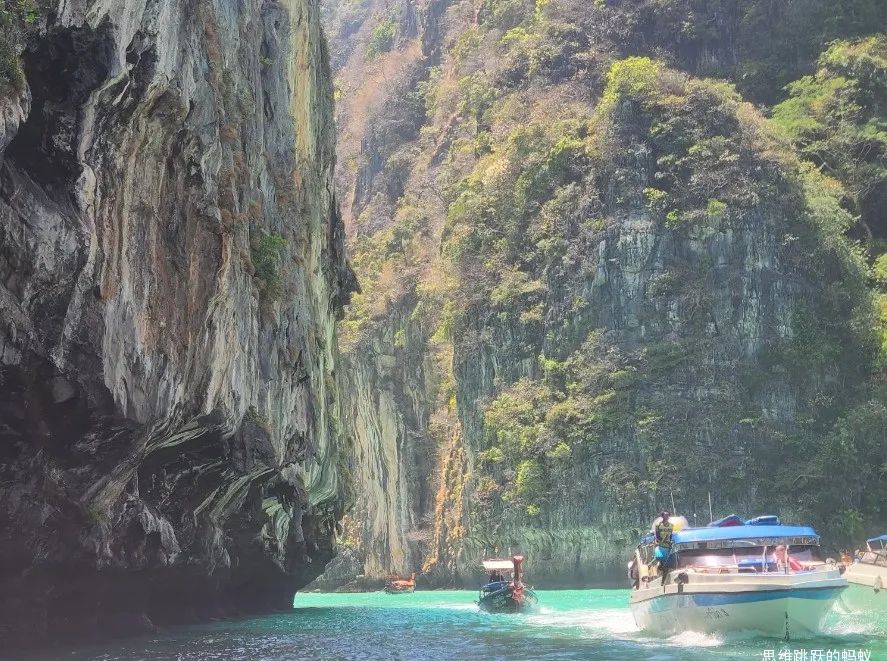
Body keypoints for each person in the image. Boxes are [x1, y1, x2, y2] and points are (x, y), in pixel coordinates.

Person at [653, 511, 674, 578]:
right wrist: (663, 541)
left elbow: (671, 535)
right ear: (662, 516)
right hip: (661, 546)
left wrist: (670, 542)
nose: (667, 516)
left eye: (668, 515)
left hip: (668, 546)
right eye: (665, 515)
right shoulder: (658, 525)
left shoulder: (671, 525)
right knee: (661, 560)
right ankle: (660, 571)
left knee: (668, 562)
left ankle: (665, 575)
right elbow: (657, 536)